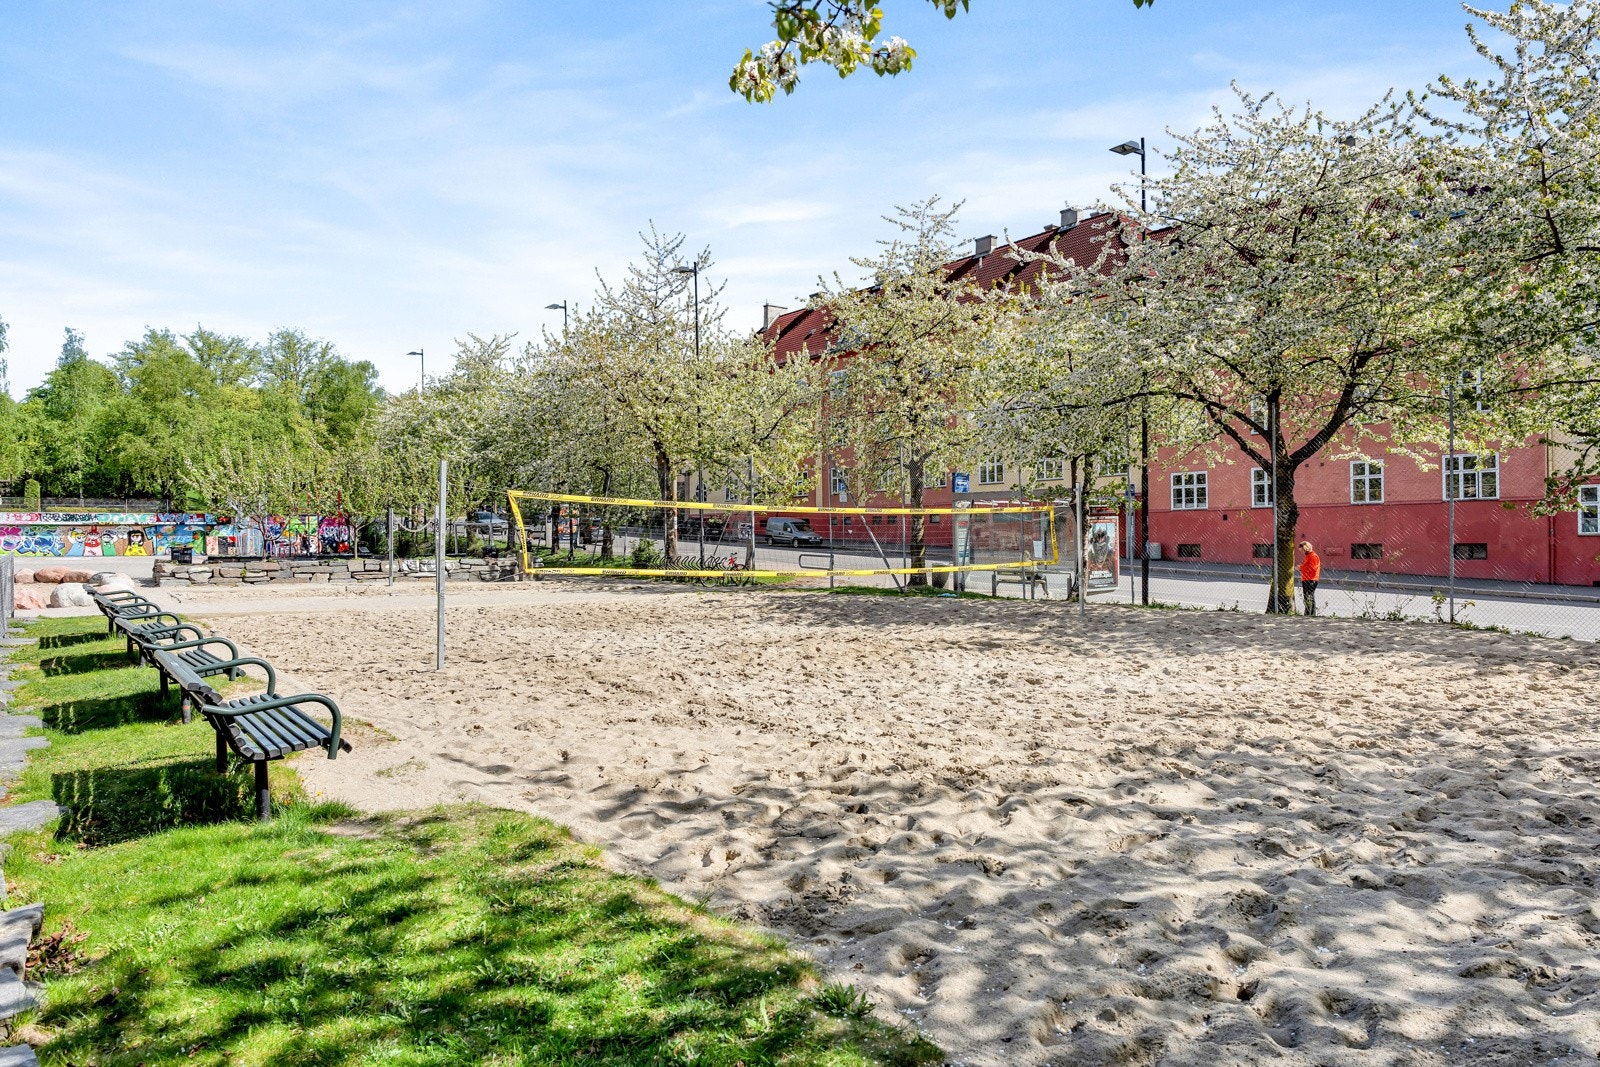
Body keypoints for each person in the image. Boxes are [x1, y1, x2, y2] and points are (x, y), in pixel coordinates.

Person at [1298, 540, 1321, 616]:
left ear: (1306, 549)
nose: (1303, 552)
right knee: (1308, 596)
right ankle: (1309, 613)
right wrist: (1301, 567)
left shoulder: (1313, 556)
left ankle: (1309, 613)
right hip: (1307, 578)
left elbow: (1312, 568)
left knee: (1309, 596)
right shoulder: (1309, 556)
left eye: (1303, 550)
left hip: (1311, 579)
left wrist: (1301, 568)